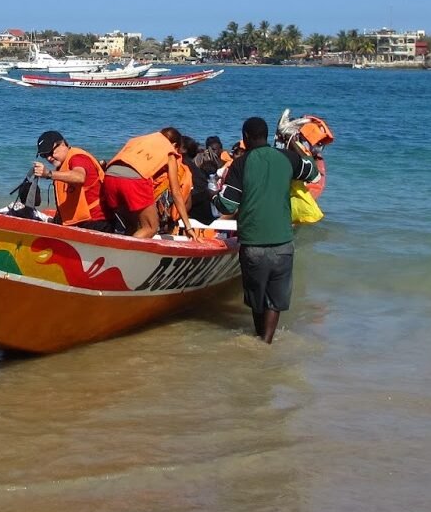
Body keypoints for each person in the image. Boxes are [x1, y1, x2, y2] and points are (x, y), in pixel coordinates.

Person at [214, 115, 319, 343]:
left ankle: (260, 338)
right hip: (283, 242)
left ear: (246, 138)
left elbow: (228, 205)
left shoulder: (240, 164)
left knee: (256, 297)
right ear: (266, 135)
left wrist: (214, 196)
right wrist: (293, 143)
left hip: (253, 243)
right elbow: (313, 173)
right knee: (276, 298)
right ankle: (267, 341)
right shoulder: (287, 158)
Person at [101, 127, 193, 238]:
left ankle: (124, 248)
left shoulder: (139, 140)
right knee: (150, 227)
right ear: (174, 145)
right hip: (134, 180)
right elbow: (176, 192)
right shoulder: (169, 151)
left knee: (132, 225)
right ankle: (126, 254)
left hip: (110, 175)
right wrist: (188, 226)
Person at [30, 130, 110, 231]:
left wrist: (48, 174)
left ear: (63, 144)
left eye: (50, 152)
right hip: (80, 222)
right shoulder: (63, 164)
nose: (49, 158)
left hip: (96, 222)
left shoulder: (77, 158)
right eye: (44, 155)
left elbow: (79, 177)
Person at [177, 136, 216, 225]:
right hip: (204, 215)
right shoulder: (193, 168)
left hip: (195, 216)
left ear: (183, 150)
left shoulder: (182, 165)